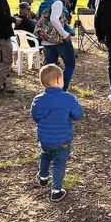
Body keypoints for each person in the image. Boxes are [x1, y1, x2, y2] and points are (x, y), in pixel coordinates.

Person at [31, 64, 84, 202]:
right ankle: (56, 190)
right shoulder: (68, 99)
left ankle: (43, 177)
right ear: (59, 81)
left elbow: (35, 116)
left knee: (45, 155)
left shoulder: (38, 100)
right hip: (62, 140)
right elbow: (78, 115)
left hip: (45, 139)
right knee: (59, 164)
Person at [37, 0, 76, 91]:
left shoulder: (43, 3)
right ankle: (62, 89)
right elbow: (54, 19)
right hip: (59, 39)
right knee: (70, 64)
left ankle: (49, 89)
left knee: (50, 67)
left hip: (46, 40)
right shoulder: (57, 3)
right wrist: (65, 34)